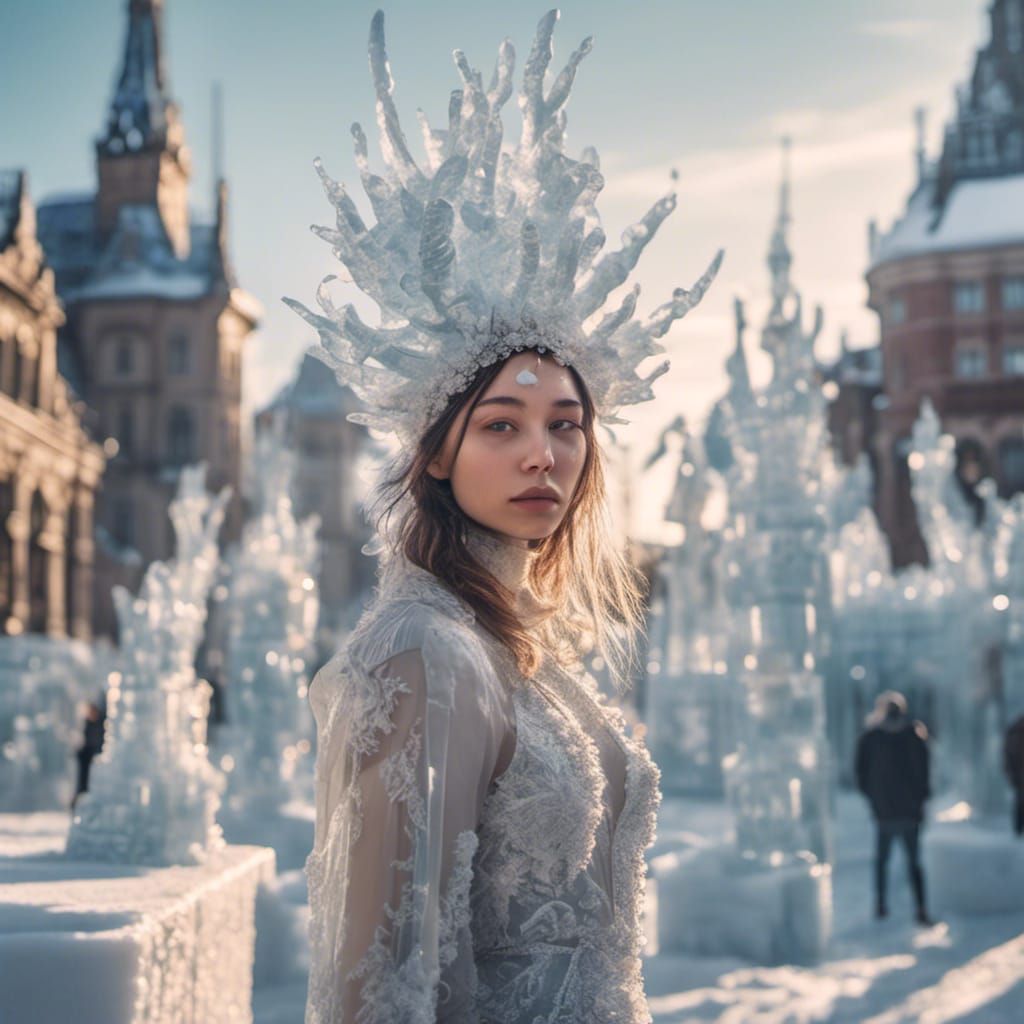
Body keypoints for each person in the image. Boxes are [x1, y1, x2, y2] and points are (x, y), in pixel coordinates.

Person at [289, 10, 719, 1022]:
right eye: (501, 425)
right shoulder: (423, 650)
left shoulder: (513, 640)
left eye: (566, 423)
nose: (543, 452)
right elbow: (381, 979)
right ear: (435, 450)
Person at [855, 691, 933, 925]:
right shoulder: (913, 736)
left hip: (886, 812)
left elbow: (861, 775)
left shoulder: (871, 738)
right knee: (912, 863)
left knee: (883, 861)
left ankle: (881, 905)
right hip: (907, 813)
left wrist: (875, 800)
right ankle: (918, 908)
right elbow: (924, 774)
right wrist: (919, 801)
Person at [71, 700, 105, 811]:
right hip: (87, 758)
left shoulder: (101, 724)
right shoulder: (88, 724)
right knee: (83, 783)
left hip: (96, 758)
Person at [1004, 713, 1024, 836]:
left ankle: (1018, 828)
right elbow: (1008, 756)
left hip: (1018, 774)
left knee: (1020, 800)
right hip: (1019, 773)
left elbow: (1007, 756)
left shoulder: (1013, 731)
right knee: (1020, 800)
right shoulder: (1014, 732)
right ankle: (1018, 828)